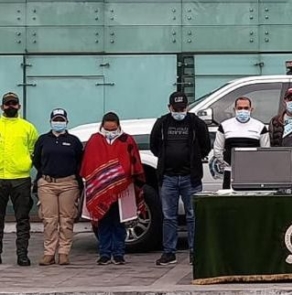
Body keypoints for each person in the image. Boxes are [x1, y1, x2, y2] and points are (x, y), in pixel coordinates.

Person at [150, 91, 211, 266]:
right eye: (176, 108)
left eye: (182, 108)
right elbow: (155, 146)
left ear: (187, 107)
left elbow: (205, 145)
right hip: (168, 177)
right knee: (169, 217)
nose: (179, 111)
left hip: (190, 178)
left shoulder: (196, 123)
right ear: (169, 107)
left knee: (193, 216)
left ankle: (195, 252)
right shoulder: (162, 123)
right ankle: (169, 253)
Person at [80, 112, 146, 265]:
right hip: (100, 190)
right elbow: (88, 163)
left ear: (118, 126)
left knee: (119, 221)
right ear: (102, 126)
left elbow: (134, 162)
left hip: (122, 190)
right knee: (103, 221)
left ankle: (118, 253)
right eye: (107, 129)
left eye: (113, 129)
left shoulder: (127, 140)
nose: (110, 132)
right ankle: (104, 253)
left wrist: (131, 179)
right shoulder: (94, 140)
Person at [32, 108, 84, 266]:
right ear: (50, 121)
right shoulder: (43, 140)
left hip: (69, 184)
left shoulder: (74, 141)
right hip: (47, 184)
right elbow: (37, 161)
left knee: (67, 219)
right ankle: (49, 253)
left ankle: (63, 252)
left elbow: (80, 161)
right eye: (56, 120)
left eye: (61, 120)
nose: (58, 123)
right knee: (49, 220)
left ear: (66, 122)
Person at [0, 91, 38, 266]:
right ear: (2, 106)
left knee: (22, 219)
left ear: (19, 106)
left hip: (21, 179)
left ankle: (22, 255)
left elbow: (34, 151)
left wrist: (27, 164)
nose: (10, 106)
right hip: (0, 178)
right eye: (7, 104)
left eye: (13, 103)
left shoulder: (27, 127)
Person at [213, 97, 270, 189]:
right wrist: (226, 164)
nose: (243, 110)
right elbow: (218, 149)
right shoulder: (224, 126)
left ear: (251, 109)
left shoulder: (260, 127)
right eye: (239, 108)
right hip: (230, 172)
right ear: (234, 109)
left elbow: (265, 151)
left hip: (253, 173)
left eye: (246, 108)